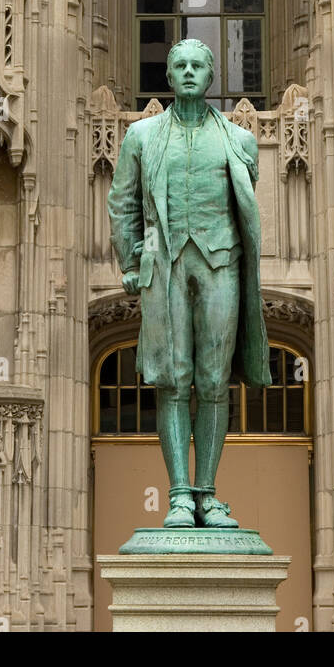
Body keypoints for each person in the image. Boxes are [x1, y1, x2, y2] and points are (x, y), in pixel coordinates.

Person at [108, 38, 271, 529]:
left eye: (198, 64)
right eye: (179, 64)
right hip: (167, 265)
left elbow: (243, 202)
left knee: (214, 382)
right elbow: (124, 203)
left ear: (212, 73)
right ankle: (179, 495)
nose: (189, 72)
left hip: (220, 263)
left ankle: (207, 493)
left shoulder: (239, 140)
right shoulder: (141, 136)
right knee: (174, 379)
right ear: (169, 75)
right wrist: (132, 260)